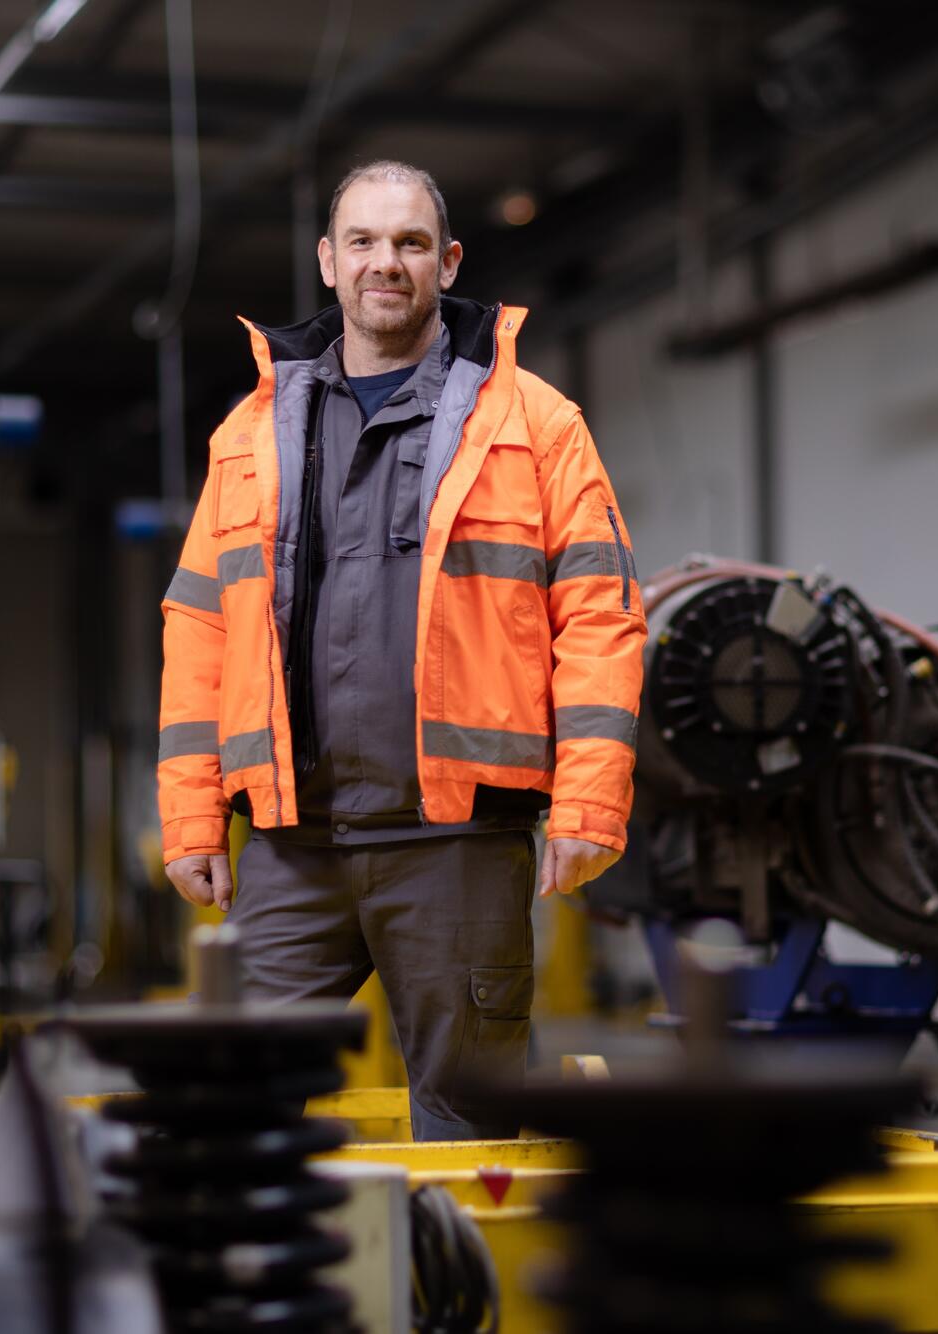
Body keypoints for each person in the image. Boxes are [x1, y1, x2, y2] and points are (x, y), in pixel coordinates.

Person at [157, 160, 647, 1140]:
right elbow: (199, 624)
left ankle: (446, 1299)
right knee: (230, 1120)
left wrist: (589, 801)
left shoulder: (537, 425)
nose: (388, 262)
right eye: (366, 243)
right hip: (295, 847)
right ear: (328, 262)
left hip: (457, 843)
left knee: (469, 1132)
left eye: (411, 243)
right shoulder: (246, 436)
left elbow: (597, 614)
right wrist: (188, 814)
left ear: (447, 261)